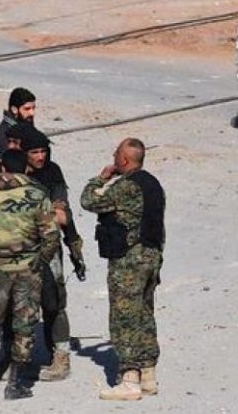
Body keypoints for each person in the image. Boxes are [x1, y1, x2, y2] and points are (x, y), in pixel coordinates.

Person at [0, 150, 59, 400]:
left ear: (2, 167)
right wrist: (39, 262)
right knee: (24, 325)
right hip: (28, 269)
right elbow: (51, 236)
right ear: (25, 168)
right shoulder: (37, 195)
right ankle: (14, 383)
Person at [81, 138, 166, 400]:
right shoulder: (153, 184)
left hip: (129, 261)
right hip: (151, 256)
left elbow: (89, 202)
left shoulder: (126, 186)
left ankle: (130, 379)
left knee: (124, 316)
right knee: (144, 313)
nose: (113, 157)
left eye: (116, 154)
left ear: (125, 160)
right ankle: (148, 374)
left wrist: (100, 178)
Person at [16, 127, 86, 382]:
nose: (40, 156)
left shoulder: (52, 173)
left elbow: (62, 215)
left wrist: (75, 249)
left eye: (43, 151)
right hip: (18, 249)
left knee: (54, 302)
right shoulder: (13, 172)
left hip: (48, 247)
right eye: (34, 152)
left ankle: (60, 356)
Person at [0, 88, 37, 155]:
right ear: (14, 109)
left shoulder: (25, 122)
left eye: (33, 108)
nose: (32, 113)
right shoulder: (5, 135)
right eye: (27, 109)